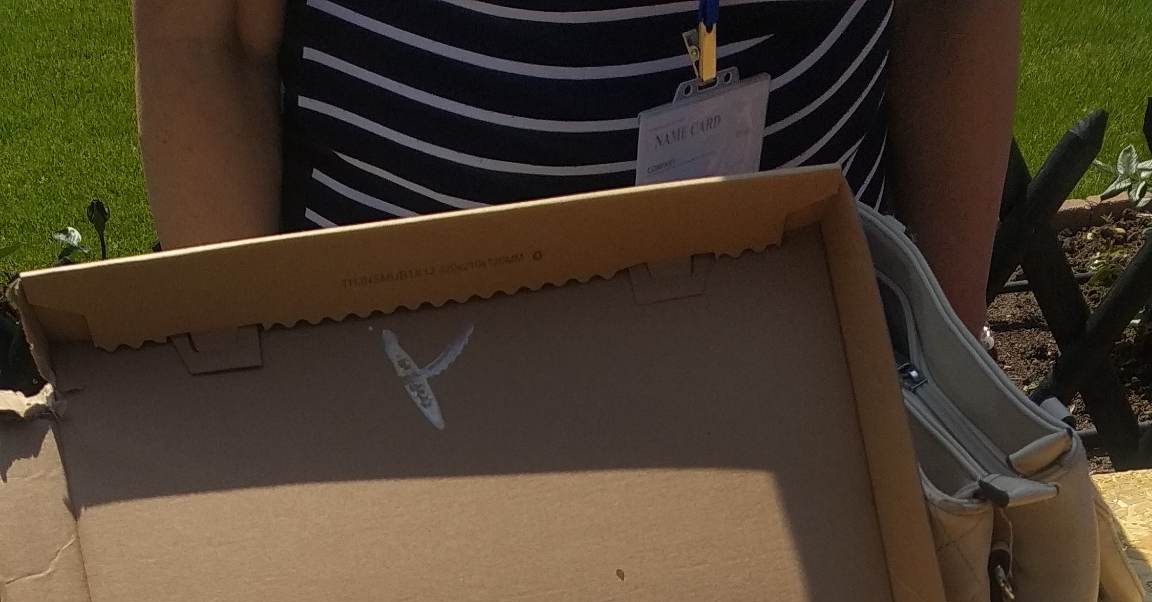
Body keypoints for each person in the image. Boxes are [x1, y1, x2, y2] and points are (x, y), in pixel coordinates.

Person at [132, 0, 1017, 334]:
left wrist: (943, 355)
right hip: (388, 397)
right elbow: (206, 37)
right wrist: (246, 408)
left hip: (817, 380)